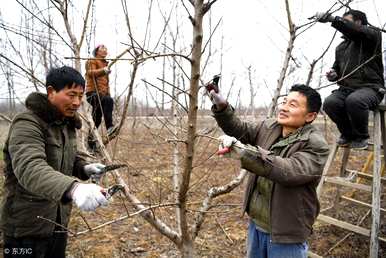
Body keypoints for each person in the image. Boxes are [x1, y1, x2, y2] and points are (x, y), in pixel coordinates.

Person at [207, 84, 329, 258]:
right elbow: (240, 130)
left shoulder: (316, 145)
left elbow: (289, 171)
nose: (284, 108)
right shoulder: (270, 126)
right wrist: (222, 106)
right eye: (284, 102)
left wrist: (246, 153)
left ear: (310, 116)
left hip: (287, 234)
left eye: (293, 105)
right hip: (256, 224)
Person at [1, 66, 110, 258]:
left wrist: (84, 168)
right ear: (51, 92)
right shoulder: (27, 123)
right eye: (71, 95)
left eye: (80, 96)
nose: (76, 102)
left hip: (58, 223)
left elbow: (67, 157)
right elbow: (30, 168)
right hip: (26, 229)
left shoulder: (65, 124)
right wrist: (74, 188)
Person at [314, 9, 385, 149]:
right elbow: (337, 70)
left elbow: (357, 31)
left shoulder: (372, 35)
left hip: (371, 88)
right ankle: (348, 134)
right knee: (330, 103)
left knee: (355, 101)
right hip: (346, 88)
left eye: (346, 21)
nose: (343, 24)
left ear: (358, 22)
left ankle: (361, 136)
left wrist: (333, 19)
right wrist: (334, 74)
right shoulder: (341, 47)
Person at [85, 44, 117, 138]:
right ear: (97, 51)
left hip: (102, 94)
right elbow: (89, 73)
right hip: (93, 93)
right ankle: (109, 127)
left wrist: (108, 93)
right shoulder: (92, 61)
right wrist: (103, 70)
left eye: (106, 48)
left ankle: (91, 141)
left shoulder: (105, 65)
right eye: (102, 48)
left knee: (97, 118)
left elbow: (105, 84)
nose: (105, 49)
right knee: (108, 100)